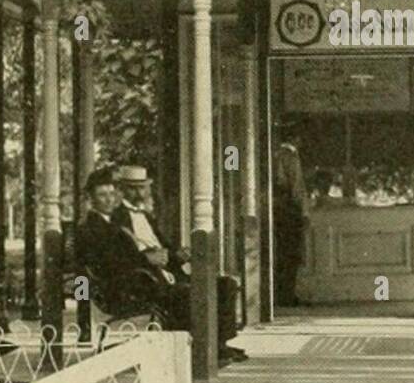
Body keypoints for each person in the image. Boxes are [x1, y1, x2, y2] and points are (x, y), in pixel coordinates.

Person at [76, 167, 244, 365]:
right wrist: (147, 259)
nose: (109, 199)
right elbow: (110, 263)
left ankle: (218, 344)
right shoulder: (93, 227)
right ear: (90, 198)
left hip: (153, 276)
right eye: (102, 195)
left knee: (225, 284)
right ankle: (197, 352)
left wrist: (175, 255)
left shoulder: (114, 221)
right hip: (128, 286)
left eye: (111, 194)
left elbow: (154, 249)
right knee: (187, 293)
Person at [271, 129, 308, 307]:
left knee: (282, 255)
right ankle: (286, 295)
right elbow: (295, 186)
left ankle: (282, 294)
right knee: (291, 254)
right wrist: (302, 211)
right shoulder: (290, 156)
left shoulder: (275, 154)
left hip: (280, 210)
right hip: (289, 211)